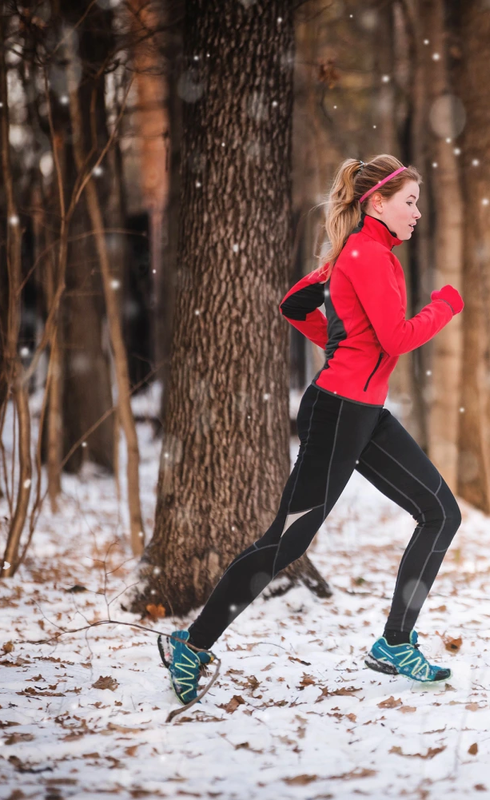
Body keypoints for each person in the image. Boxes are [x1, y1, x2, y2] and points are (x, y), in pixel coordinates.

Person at [164, 155, 464, 705]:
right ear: (377, 202)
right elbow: (396, 338)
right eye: (410, 202)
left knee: (441, 512)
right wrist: (444, 307)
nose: (418, 213)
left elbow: (295, 303)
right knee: (286, 539)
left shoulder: (366, 255)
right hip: (336, 414)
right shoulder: (368, 255)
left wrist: (339, 336)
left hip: (365, 412)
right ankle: (191, 643)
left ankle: (395, 643)